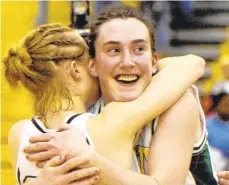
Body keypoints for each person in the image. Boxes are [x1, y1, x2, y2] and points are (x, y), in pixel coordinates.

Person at [22, 7, 219, 185]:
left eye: (139, 49)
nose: (127, 62)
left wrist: (89, 158)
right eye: (114, 50)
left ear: (154, 61)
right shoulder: (82, 112)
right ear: (92, 65)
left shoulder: (178, 101)